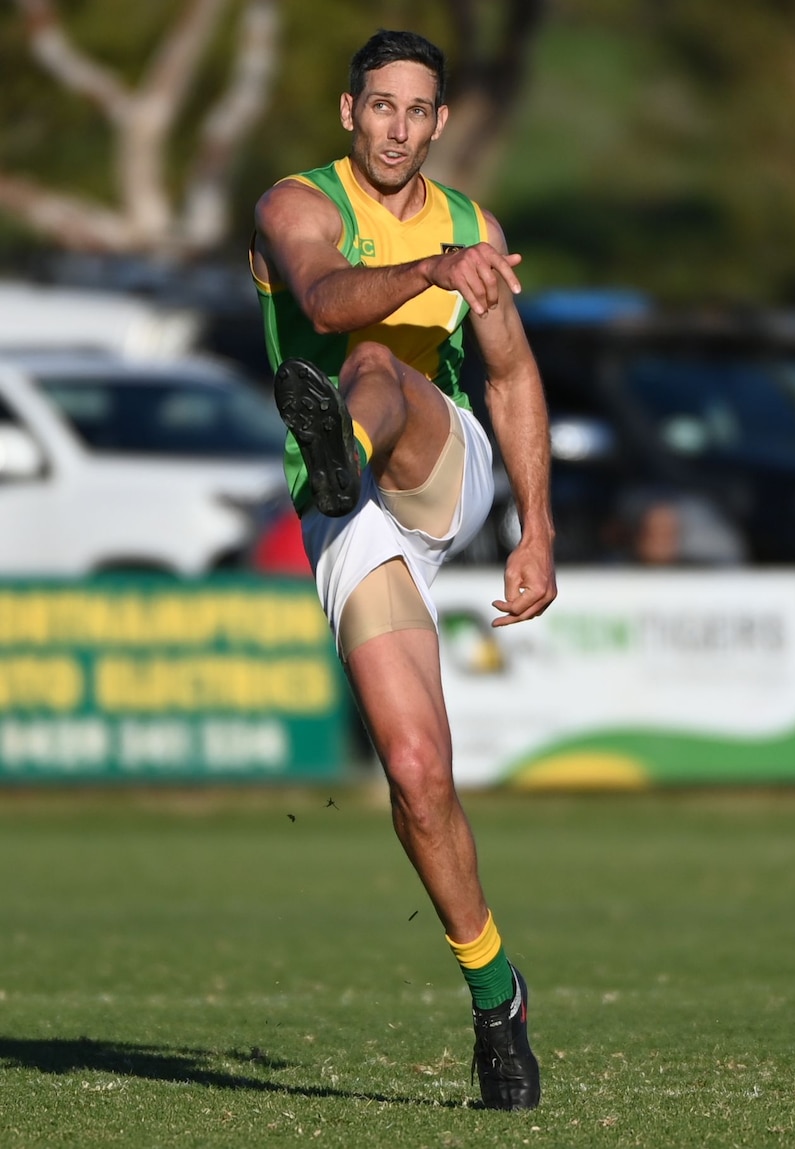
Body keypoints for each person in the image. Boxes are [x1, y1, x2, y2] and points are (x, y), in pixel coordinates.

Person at [249, 29, 556, 1110]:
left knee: (379, 368)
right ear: (350, 113)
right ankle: (496, 997)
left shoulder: (475, 227)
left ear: (437, 124)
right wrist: (430, 271)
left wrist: (537, 529)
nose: (396, 126)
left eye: (417, 110)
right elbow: (327, 300)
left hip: (435, 466)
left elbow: (512, 378)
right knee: (419, 776)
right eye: (379, 105)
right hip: (354, 520)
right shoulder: (295, 205)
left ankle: (349, 445)